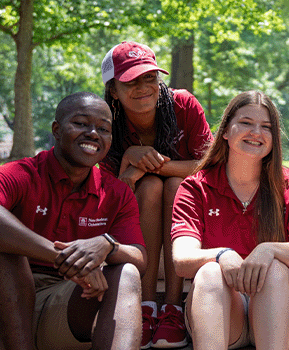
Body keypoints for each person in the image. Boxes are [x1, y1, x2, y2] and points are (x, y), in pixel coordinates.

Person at [0, 92, 146, 349]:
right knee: (0, 246)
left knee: (126, 272)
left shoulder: (116, 193)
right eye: (80, 123)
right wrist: (62, 257)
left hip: (61, 308)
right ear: (56, 129)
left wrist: (107, 244)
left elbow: (140, 258)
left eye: (103, 129)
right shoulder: (22, 173)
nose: (93, 133)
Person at [171, 91, 289, 349]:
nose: (256, 133)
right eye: (247, 123)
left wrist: (268, 249)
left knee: (274, 269)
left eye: (266, 127)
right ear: (225, 131)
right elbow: (181, 260)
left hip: (285, 308)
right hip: (224, 310)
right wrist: (221, 255)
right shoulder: (195, 187)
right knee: (208, 273)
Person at [100, 40, 213, 349]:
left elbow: (210, 167)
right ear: (113, 90)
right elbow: (110, 199)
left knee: (175, 184)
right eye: (130, 81)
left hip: (193, 205)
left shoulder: (183, 105)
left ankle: (173, 308)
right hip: (134, 212)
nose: (142, 87)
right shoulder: (105, 122)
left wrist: (157, 166)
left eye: (149, 77)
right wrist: (127, 162)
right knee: (149, 187)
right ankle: (146, 306)